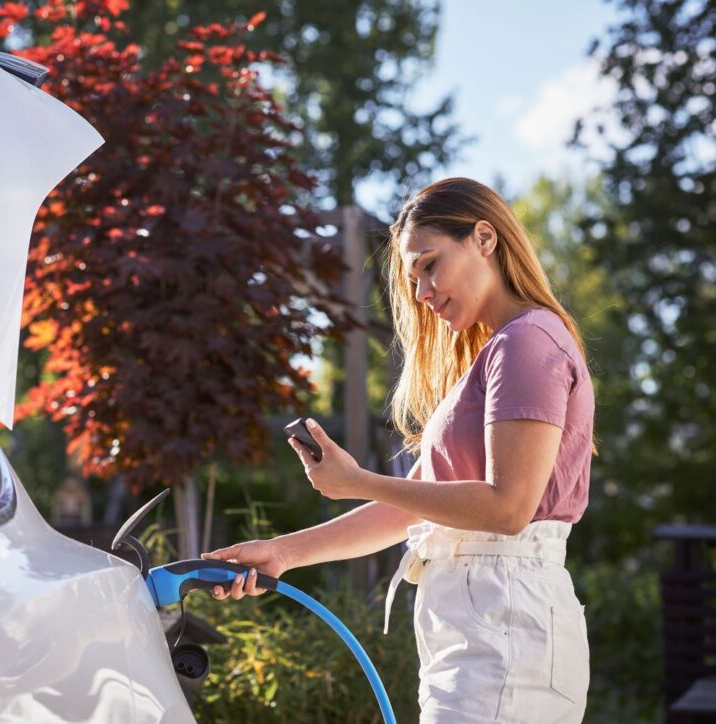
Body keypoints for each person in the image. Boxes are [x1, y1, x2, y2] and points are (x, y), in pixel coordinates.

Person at [202, 177, 594, 723]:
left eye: (429, 265)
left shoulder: (527, 342)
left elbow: (509, 508)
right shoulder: (496, 352)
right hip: (485, 629)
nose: (421, 292)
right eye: (412, 279)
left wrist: (358, 481)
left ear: (485, 237)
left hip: (507, 632)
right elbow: (418, 509)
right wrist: (285, 553)